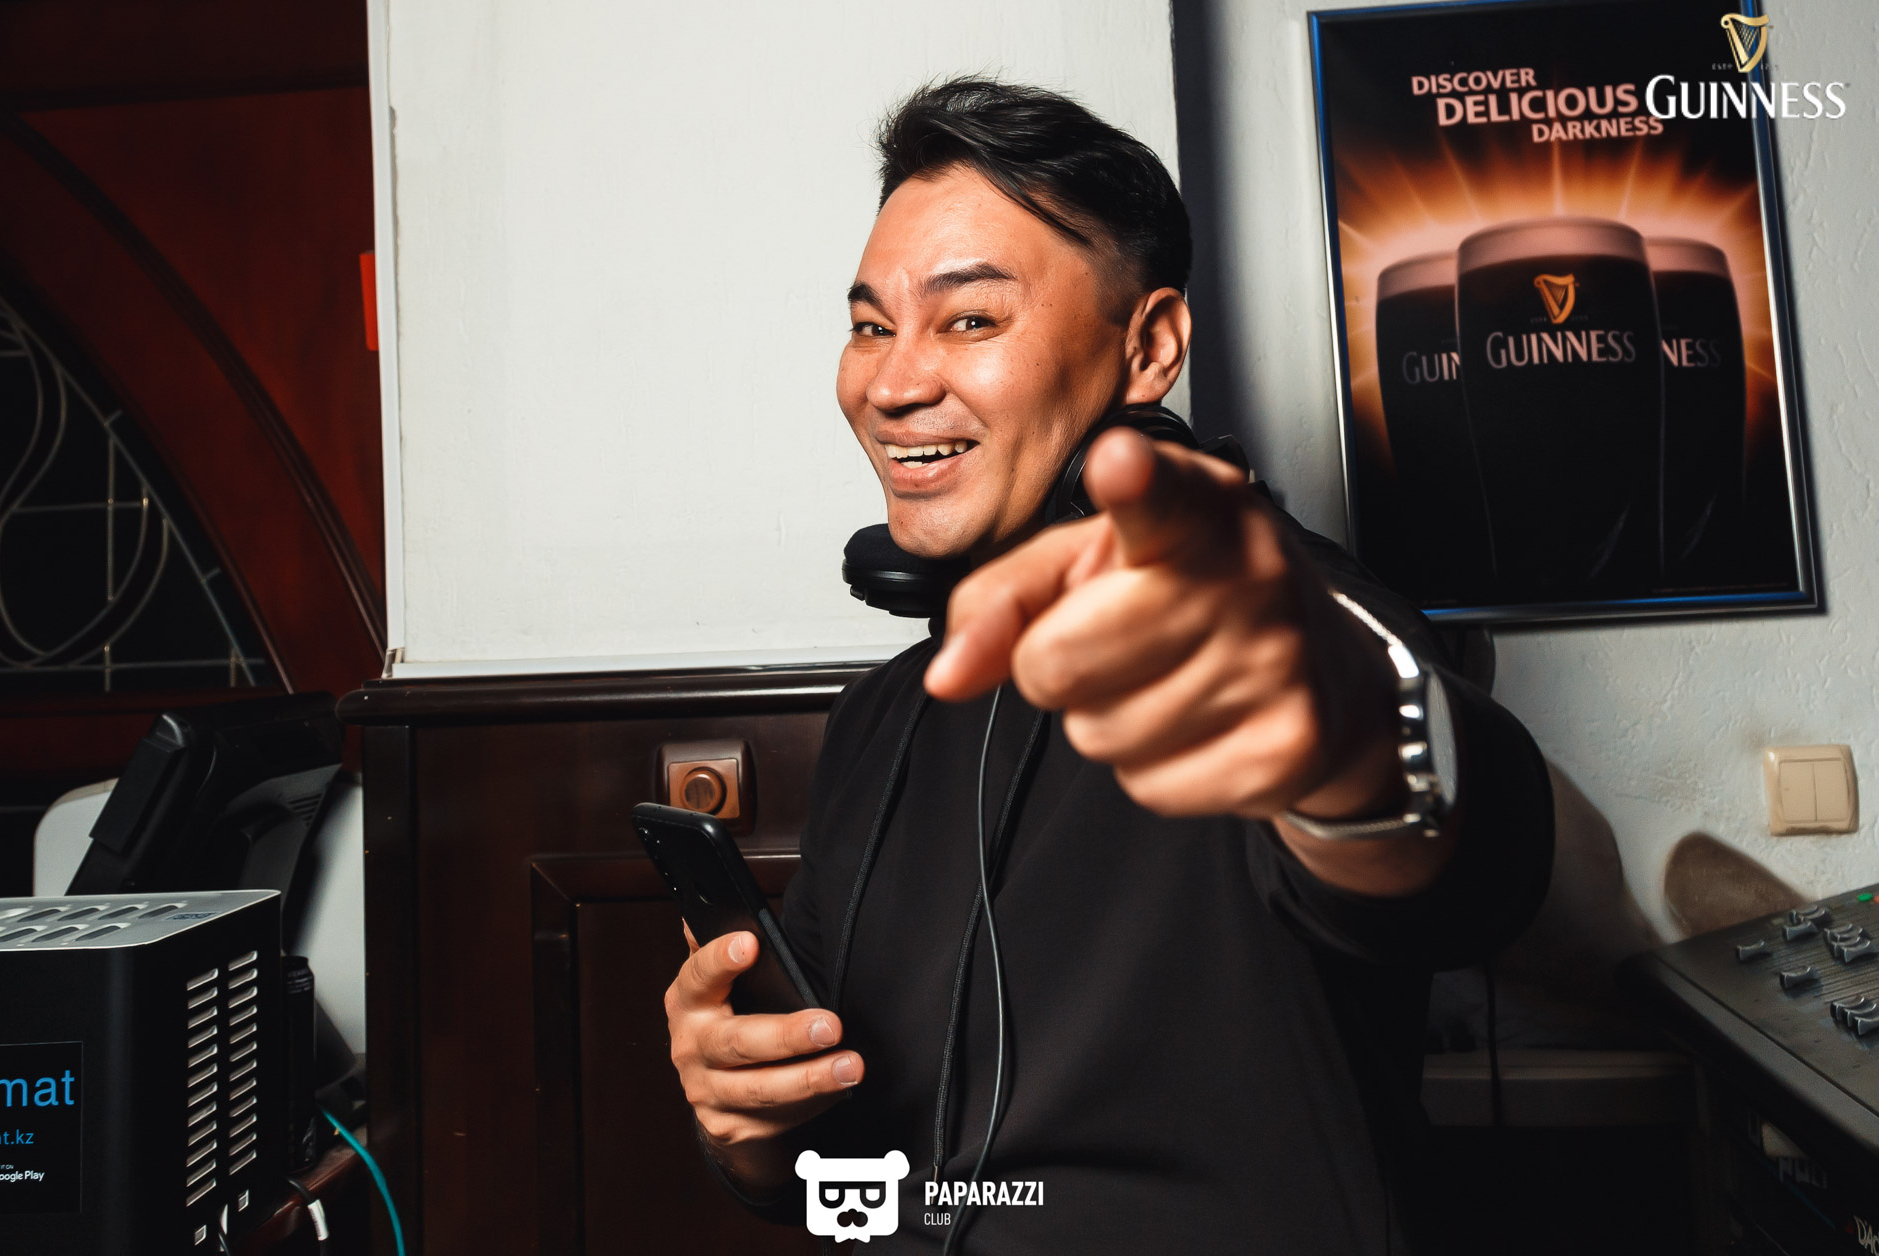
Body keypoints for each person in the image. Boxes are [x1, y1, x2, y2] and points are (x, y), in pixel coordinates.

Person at [662, 77, 1553, 1254]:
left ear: (1150, 347)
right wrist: (747, 1120)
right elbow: (828, 1167)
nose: (892, 382)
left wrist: (1346, 747)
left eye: (969, 320)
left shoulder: (1284, 622)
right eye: (873, 326)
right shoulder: (878, 719)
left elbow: (1466, 844)